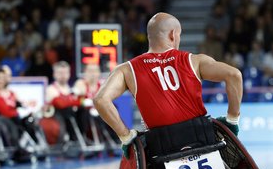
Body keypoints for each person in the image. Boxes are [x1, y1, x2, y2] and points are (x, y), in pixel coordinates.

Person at [94, 12, 242, 157]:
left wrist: (125, 136)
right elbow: (234, 75)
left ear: (149, 37)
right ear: (173, 34)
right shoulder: (195, 60)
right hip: (201, 137)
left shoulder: (127, 69)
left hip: (160, 146)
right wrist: (232, 120)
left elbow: (100, 100)